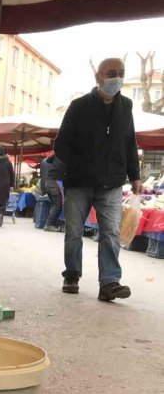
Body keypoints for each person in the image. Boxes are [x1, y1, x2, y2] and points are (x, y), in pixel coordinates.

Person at [55, 57, 141, 301]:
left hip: (112, 183)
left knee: (110, 233)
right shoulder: (79, 105)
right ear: (98, 77)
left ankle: (110, 283)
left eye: (121, 73)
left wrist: (134, 176)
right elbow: (61, 144)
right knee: (74, 232)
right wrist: (81, 165)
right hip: (79, 182)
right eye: (112, 73)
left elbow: (129, 142)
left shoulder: (126, 105)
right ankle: (72, 274)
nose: (117, 78)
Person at [38, 154, 66, 232]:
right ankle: (49, 225)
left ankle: (53, 224)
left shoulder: (56, 156)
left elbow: (48, 160)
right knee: (57, 204)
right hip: (54, 183)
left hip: (48, 182)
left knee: (54, 204)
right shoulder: (64, 158)